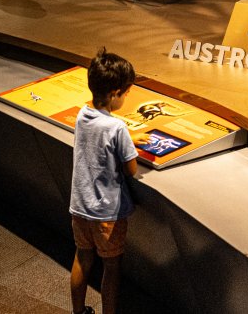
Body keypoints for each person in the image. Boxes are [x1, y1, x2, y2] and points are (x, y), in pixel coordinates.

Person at [69, 49, 150, 314]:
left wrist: (128, 139)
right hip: (107, 214)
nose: (126, 97)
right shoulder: (117, 129)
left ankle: (79, 311)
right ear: (115, 93)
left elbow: (98, 139)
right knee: (112, 267)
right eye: (127, 92)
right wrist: (129, 144)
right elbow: (131, 168)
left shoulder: (83, 115)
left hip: (80, 206)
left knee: (82, 257)